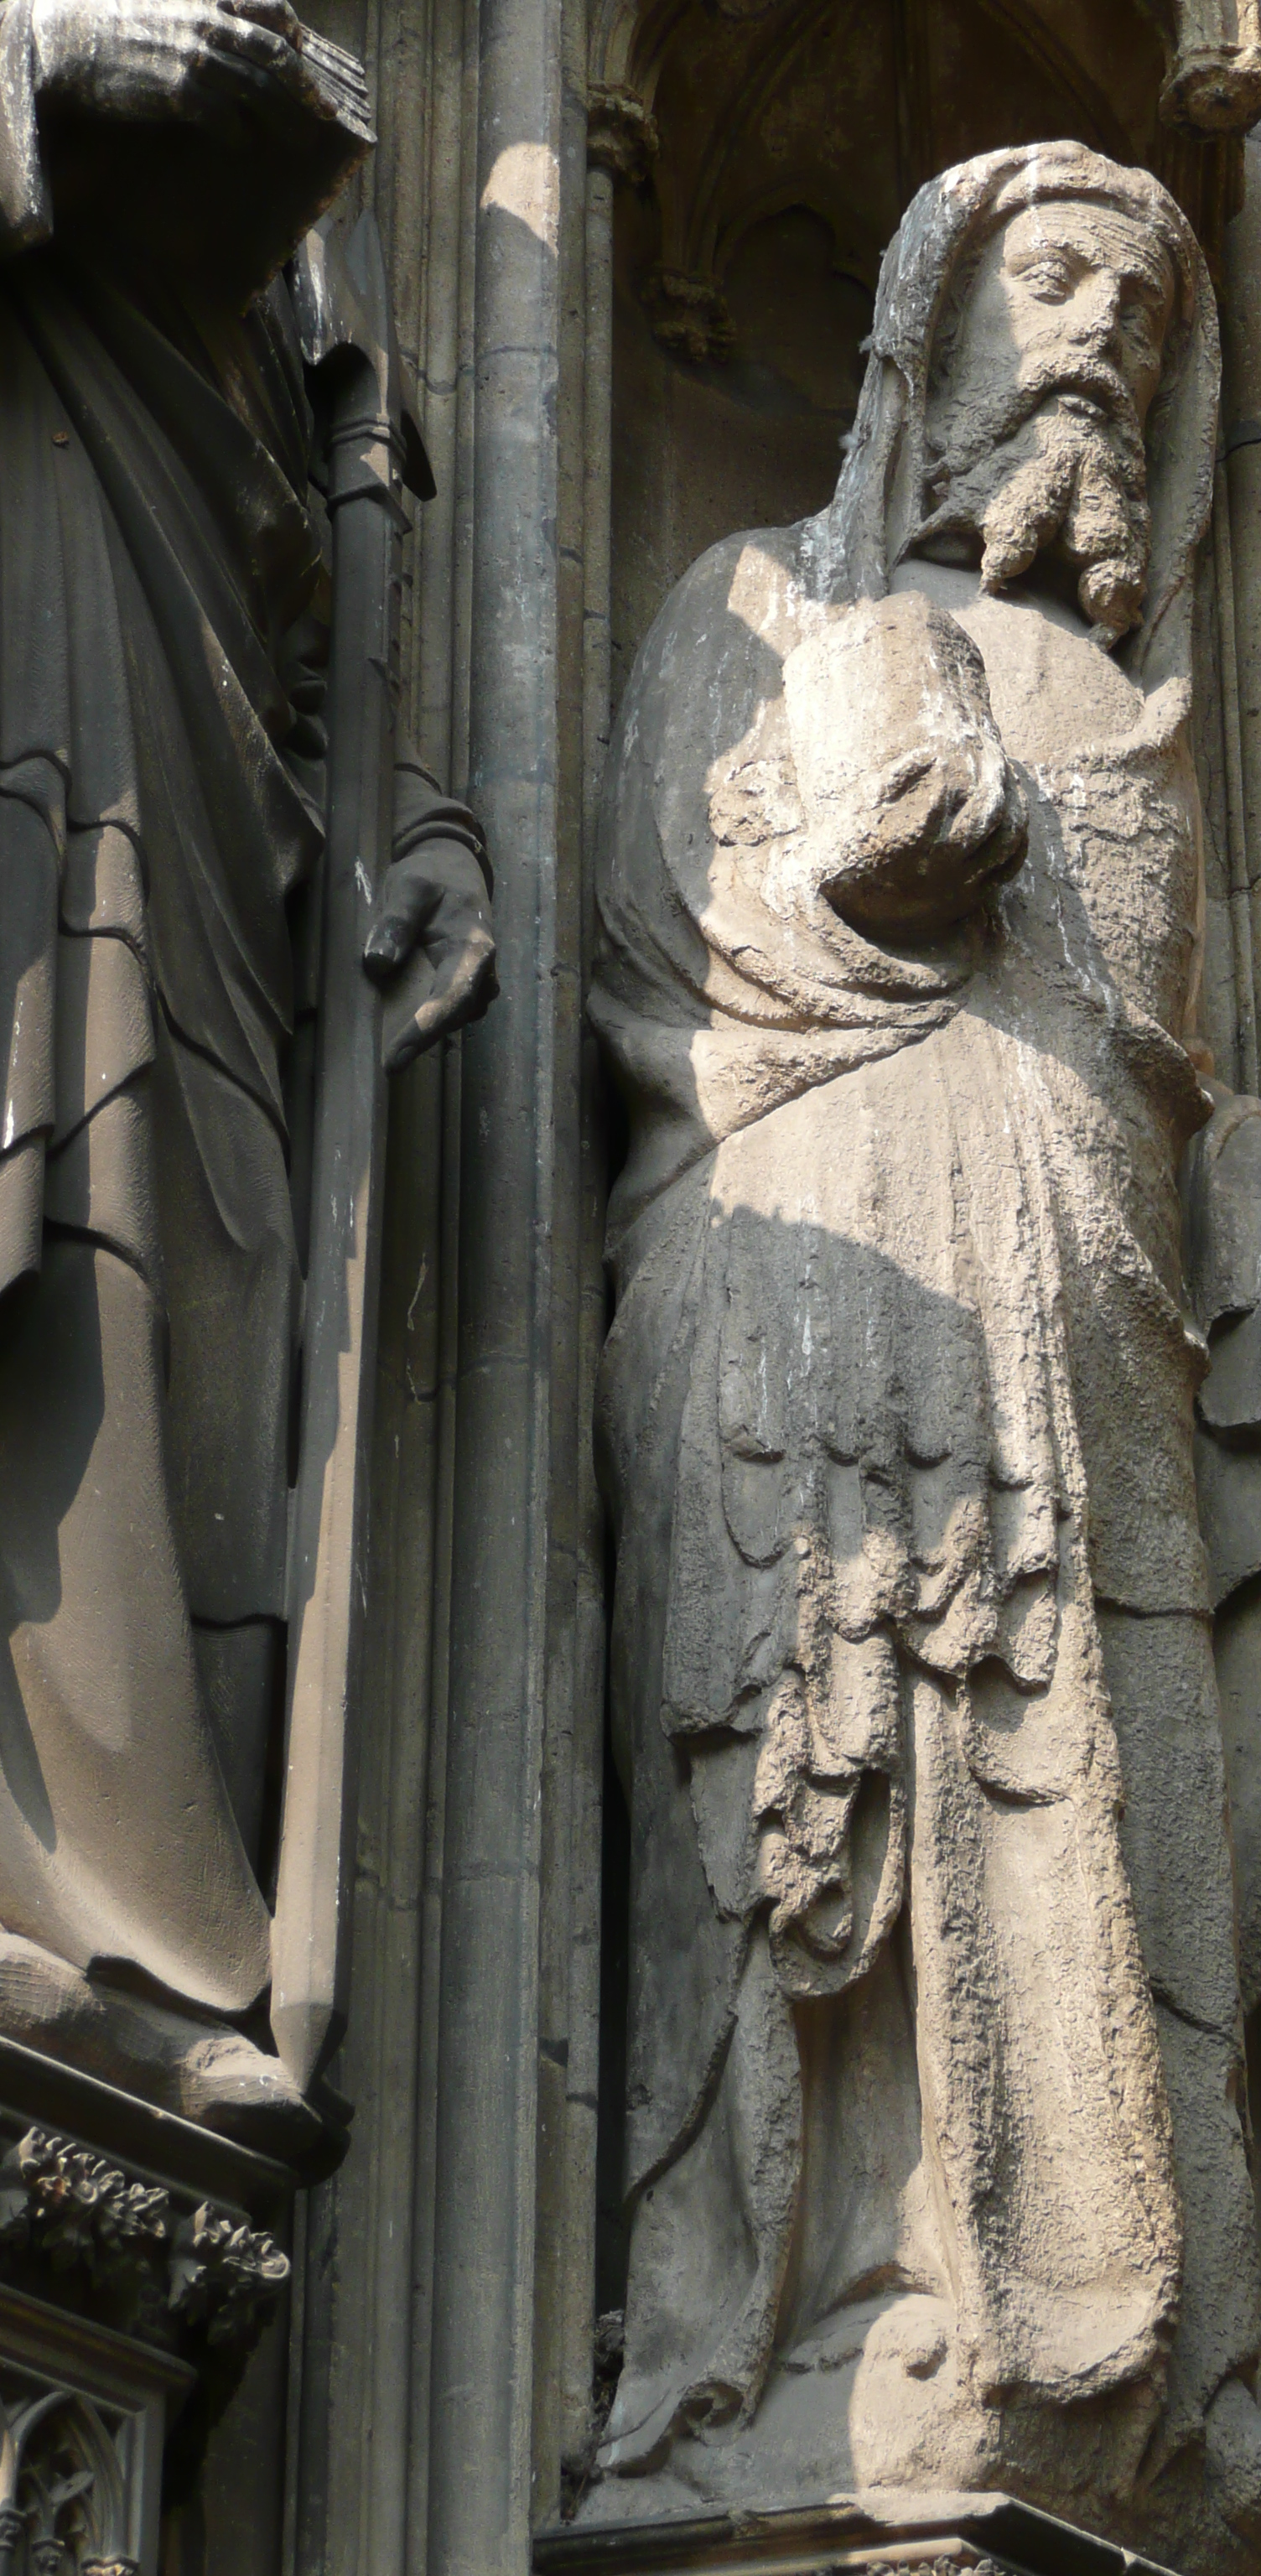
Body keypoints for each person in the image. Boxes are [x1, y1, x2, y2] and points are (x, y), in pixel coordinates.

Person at [589, 143, 1261, 2570]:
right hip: (804, 1274)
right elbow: (640, 949)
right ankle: (762, 2351)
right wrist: (858, 901)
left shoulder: (1120, 695)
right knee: (797, 1812)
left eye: (1147, 296)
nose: (1103, 321)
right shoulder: (752, 606)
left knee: (1077, 1820)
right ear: (935, 321)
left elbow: (1144, 1066)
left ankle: (1085, 2361)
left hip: (1067, 1307)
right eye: (1056, 270)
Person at [0, 0, 496, 2153]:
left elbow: (340, 604)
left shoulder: (329, 203)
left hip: (215, 793)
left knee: (185, 1294)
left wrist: (439, 834)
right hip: (28, 616)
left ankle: (127, 1928)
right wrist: (51, 68)